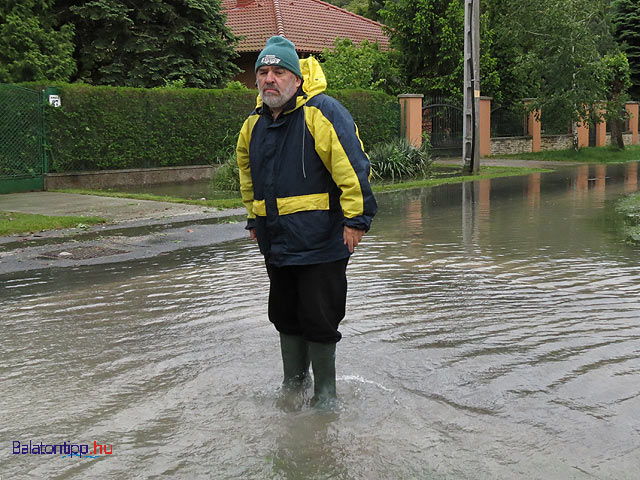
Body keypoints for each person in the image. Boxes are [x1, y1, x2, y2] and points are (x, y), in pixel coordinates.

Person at [236, 36, 377, 408]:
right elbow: (247, 175)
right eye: (263, 72)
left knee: (319, 316)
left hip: (322, 240)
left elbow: (353, 168)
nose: (270, 79)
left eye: (279, 72)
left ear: (297, 79)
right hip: (276, 241)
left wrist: (356, 220)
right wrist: (253, 218)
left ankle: (326, 394)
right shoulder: (253, 125)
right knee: (284, 314)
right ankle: (292, 384)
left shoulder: (323, 111)